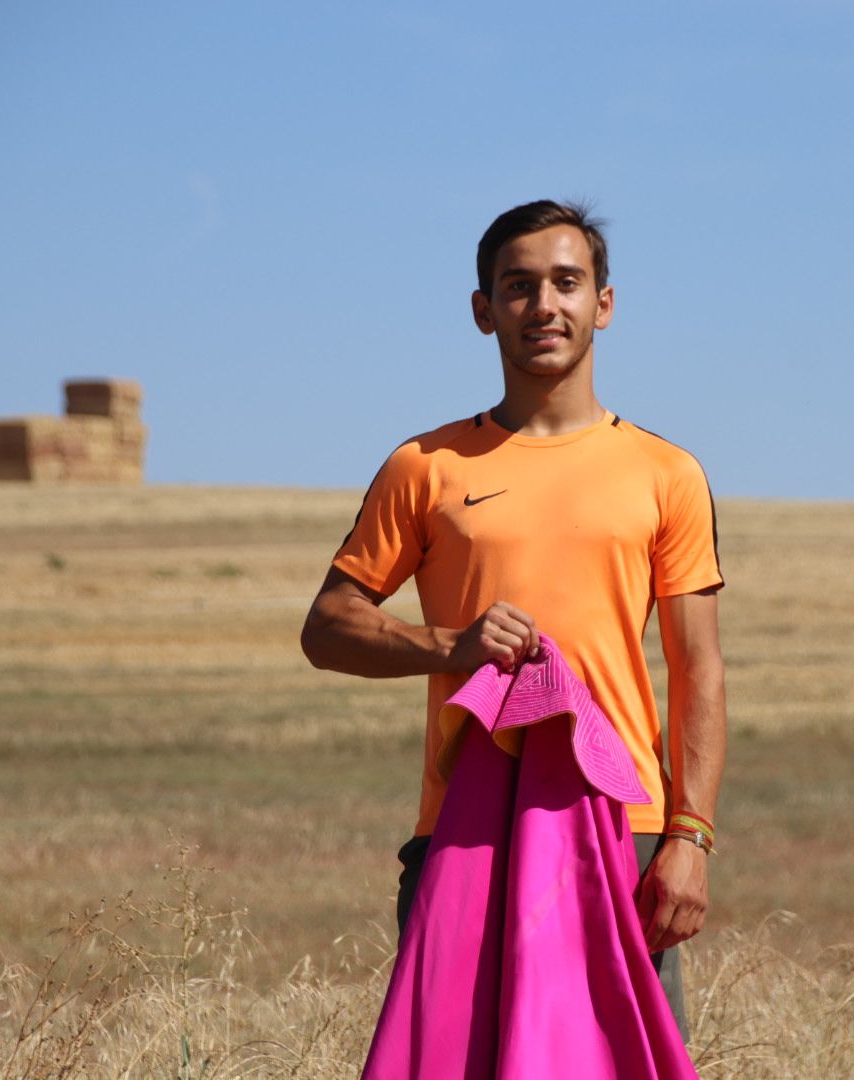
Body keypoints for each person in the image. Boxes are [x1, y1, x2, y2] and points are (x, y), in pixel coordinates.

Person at [299, 199, 726, 1037]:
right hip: (463, 828)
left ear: (604, 303)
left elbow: (699, 669)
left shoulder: (666, 473)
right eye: (518, 285)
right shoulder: (424, 467)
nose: (544, 305)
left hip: (622, 828)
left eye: (567, 283)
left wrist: (691, 837)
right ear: (482, 310)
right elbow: (327, 627)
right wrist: (448, 646)